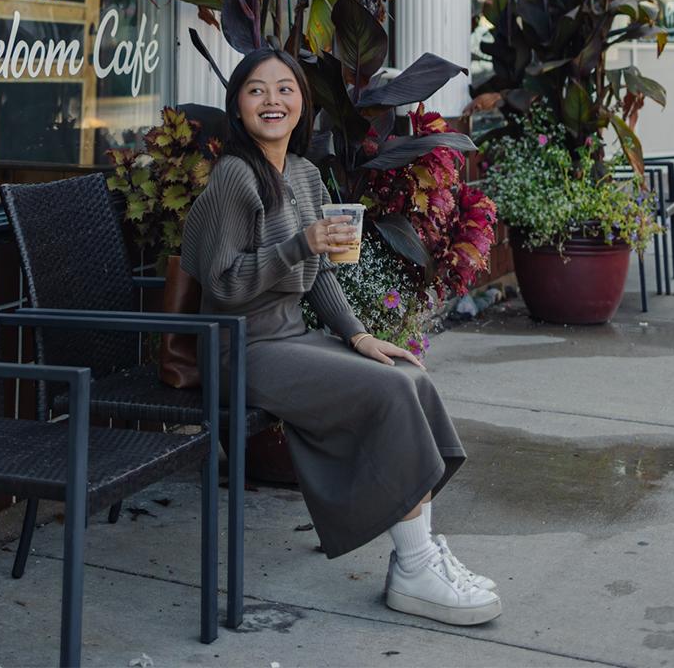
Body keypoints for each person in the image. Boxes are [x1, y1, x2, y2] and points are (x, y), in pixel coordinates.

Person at [181, 46, 500, 625]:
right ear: (238, 105)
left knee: (405, 376)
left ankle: (419, 558)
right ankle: (415, 568)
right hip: (241, 346)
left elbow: (322, 274)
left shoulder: (303, 174)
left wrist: (358, 337)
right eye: (256, 90)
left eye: (285, 89)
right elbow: (224, 287)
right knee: (389, 394)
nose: (272, 100)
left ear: (303, 103)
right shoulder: (235, 176)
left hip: (289, 338)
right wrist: (299, 243)